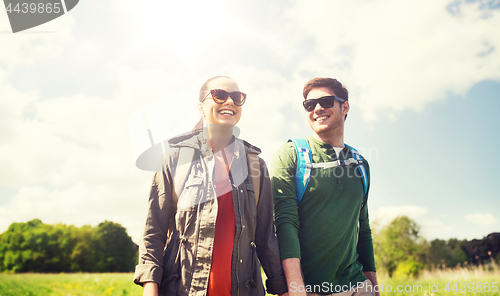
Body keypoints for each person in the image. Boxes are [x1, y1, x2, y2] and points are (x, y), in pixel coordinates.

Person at [133, 76, 288, 296]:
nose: (229, 102)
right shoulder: (175, 157)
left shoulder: (256, 165)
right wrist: (150, 287)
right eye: (219, 95)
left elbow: (265, 237)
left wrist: (281, 288)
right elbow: (154, 229)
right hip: (181, 290)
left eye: (237, 97)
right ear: (201, 107)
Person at [270, 78, 379, 296]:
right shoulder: (290, 154)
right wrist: (296, 288)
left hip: (358, 287)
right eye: (310, 105)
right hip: (308, 289)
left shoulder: (360, 163)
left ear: (345, 106)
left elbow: (363, 229)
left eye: (326, 101)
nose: (317, 108)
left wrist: (374, 289)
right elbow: (285, 223)